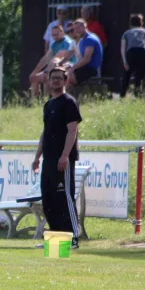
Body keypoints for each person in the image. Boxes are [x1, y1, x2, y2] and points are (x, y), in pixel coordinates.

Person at [32, 67, 83, 248]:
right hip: (49, 159)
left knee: (64, 199)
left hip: (62, 160)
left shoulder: (68, 102)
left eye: (59, 78)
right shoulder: (48, 104)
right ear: (48, 80)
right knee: (49, 200)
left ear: (65, 80)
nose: (55, 81)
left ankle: (73, 239)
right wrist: (37, 157)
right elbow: (45, 133)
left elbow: (72, 130)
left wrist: (65, 155)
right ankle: (55, 242)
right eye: (52, 78)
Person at [29, 25, 74, 97]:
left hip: (67, 66)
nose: (55, 36)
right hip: (53, 67)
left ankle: (47, 100)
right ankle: (35, 102)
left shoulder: (67, 42)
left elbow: (59, 57)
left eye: (57, 34)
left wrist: (46, 72)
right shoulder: (54, 44)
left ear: (62, 33)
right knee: (34, 78)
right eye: (53, 35)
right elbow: (46, 58)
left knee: (48, 77)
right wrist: (34, 72)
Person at [120, 14, 145, 98]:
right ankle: (138, 95)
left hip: (131, 53)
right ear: (141, 23)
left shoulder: (126, 33)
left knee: (127, 75)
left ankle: (122, 95)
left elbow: (123, 47)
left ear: (130, 23)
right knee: (140, 75)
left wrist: (125, 61)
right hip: (142, 52)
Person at [66, 19, 103, 91]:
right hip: (84, 67)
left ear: (85, 26)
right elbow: (70, 55)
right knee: (63, 72)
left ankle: (63, 98)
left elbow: (86, 59)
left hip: (91, 69)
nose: (76, 30)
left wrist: (73, 68)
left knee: (67, 76)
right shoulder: (83, 39)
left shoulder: (89, 39)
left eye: (78, 28)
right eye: (75, 28)